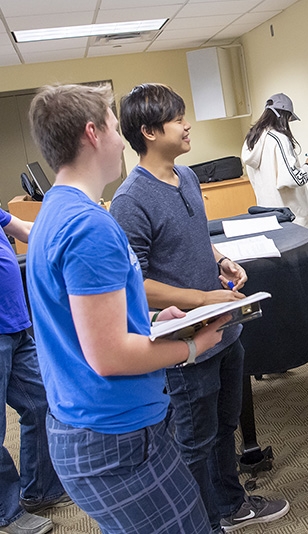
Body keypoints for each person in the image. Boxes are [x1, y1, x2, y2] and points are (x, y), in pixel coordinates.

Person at [25, 83, 227, 533]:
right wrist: (193, 347)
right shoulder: (90, 226)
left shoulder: (54, 211)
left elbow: (84, 324)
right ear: (93, 134)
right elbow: (110, 355)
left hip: (89, 424)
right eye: (116, 126)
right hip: (113, 435)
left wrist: (154, 320)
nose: (122, 138)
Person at [110, 83, 290, 533]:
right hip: (187, 343)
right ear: (150, 132)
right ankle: (199, 523)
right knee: (193, 442)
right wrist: (205, 298)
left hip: (225, 330)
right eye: (177, 120)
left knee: (224, 427)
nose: (187, 125)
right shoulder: (130, 200)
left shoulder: (186, 175)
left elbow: (197, 239)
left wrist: (222, 260)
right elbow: (139, 286)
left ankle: (230, 505)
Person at [242, 93, 308, 349]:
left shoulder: (252, 140)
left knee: (282, 285)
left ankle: (285, 339)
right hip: (295, 222)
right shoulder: (278, 138)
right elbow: (291, 178)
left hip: (270, 220)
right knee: (306, 286)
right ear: (284, 116)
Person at [1, 209, 70, 534]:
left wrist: (68, 231)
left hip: (14, 325)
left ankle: (40, 491)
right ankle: (7, 513)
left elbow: (27, 230)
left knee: (42, 403)